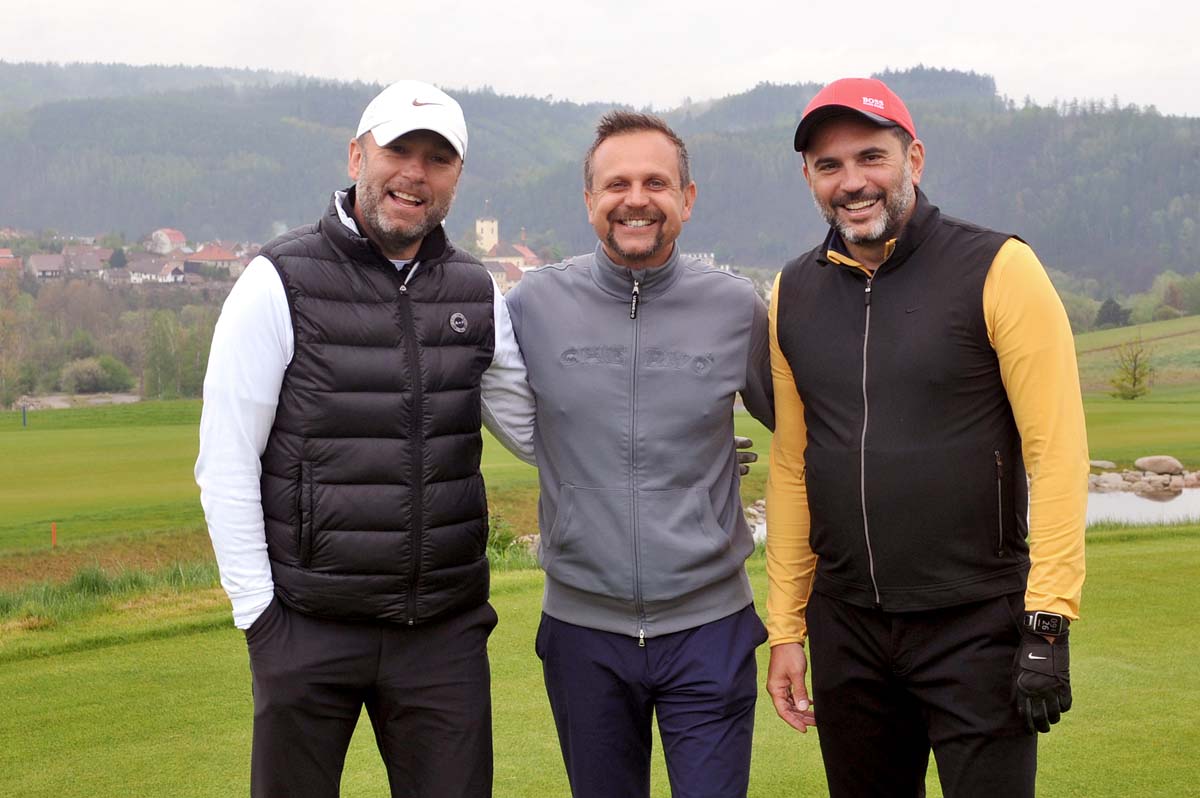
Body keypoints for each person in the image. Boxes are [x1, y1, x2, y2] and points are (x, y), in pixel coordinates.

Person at [194, 80, 533, 798]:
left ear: (457, 177)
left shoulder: (476, 290)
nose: (415, 173)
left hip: (442, 632)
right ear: (357, 156)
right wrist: (261, 622)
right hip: (308, 627)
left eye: (437, 159)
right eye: (397, 151)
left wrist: (679, 438)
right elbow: (226, 461)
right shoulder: (277, 280)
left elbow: (536, 433)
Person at [764, 77, 1088, 797]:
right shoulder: (793, 291)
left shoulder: (1000, 267)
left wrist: (1049, 620)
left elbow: (1057, 452)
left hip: (975, 620)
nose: (852, 182)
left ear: (913, 158)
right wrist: (785, 628)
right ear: (809, 176)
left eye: (871, 157)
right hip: (847, 626)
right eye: (829, 165)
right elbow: (792, 466)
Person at [503, 111, 774, 798]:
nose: (636, 199)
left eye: (656, 182)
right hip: (581, 632)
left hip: (710, 626)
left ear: (687, 197)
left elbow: (806, 431)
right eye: (616, 184)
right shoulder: (532, 305)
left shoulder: (736, 307)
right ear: (589, 200)